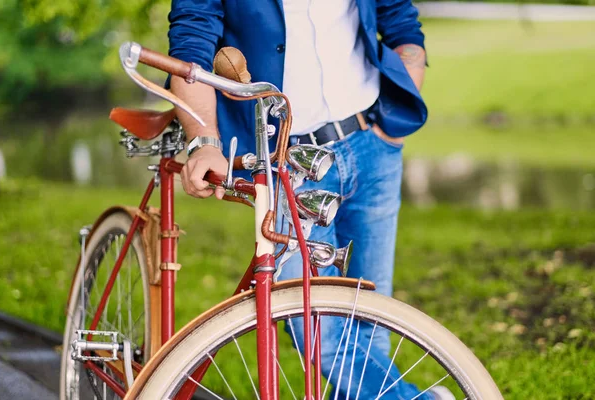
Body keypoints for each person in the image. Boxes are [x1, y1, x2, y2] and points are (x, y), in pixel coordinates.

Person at [169, 1, 452, 399]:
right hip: (285, 160)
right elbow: (191, 42)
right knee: (322, 333)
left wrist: (394, 122)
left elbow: (401, 21)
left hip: (371, 143)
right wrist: (205, 142)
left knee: (371, 321)